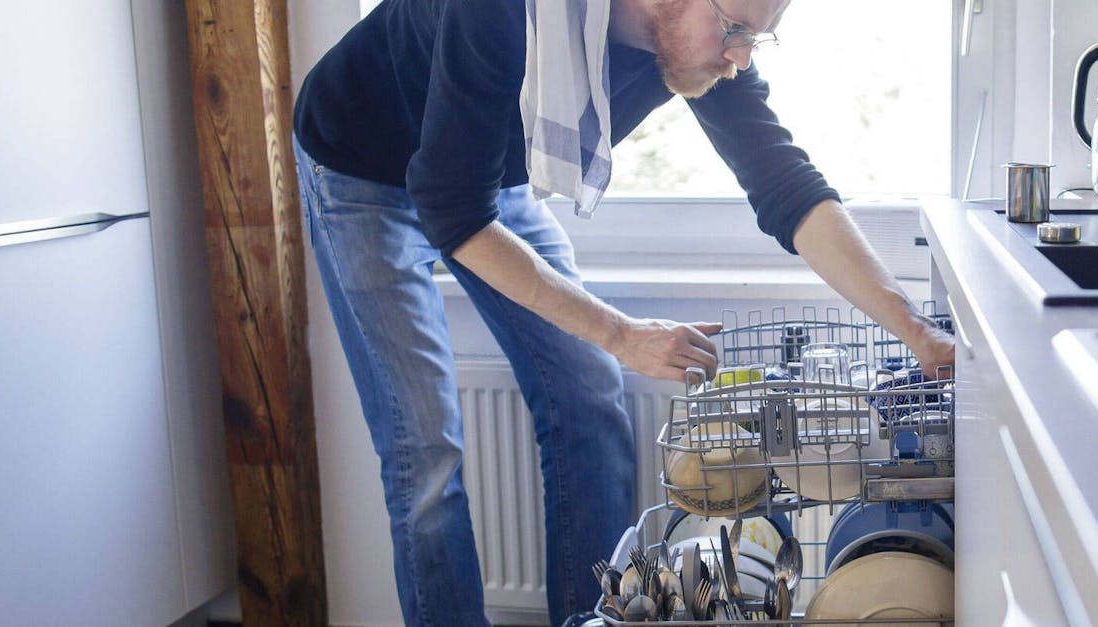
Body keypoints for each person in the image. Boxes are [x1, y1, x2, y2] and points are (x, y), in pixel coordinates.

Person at [291, 0, 955, 624]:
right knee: (427, 455)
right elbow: (456, 216)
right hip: (361, 168)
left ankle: (590, 617)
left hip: (481, 176)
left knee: (587, 394)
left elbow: (787, 186)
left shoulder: (688, 44)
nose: (741, 57)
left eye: (757, 36)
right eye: (735, 28)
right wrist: (620, 332)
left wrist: (916, 330)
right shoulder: (502, 10)